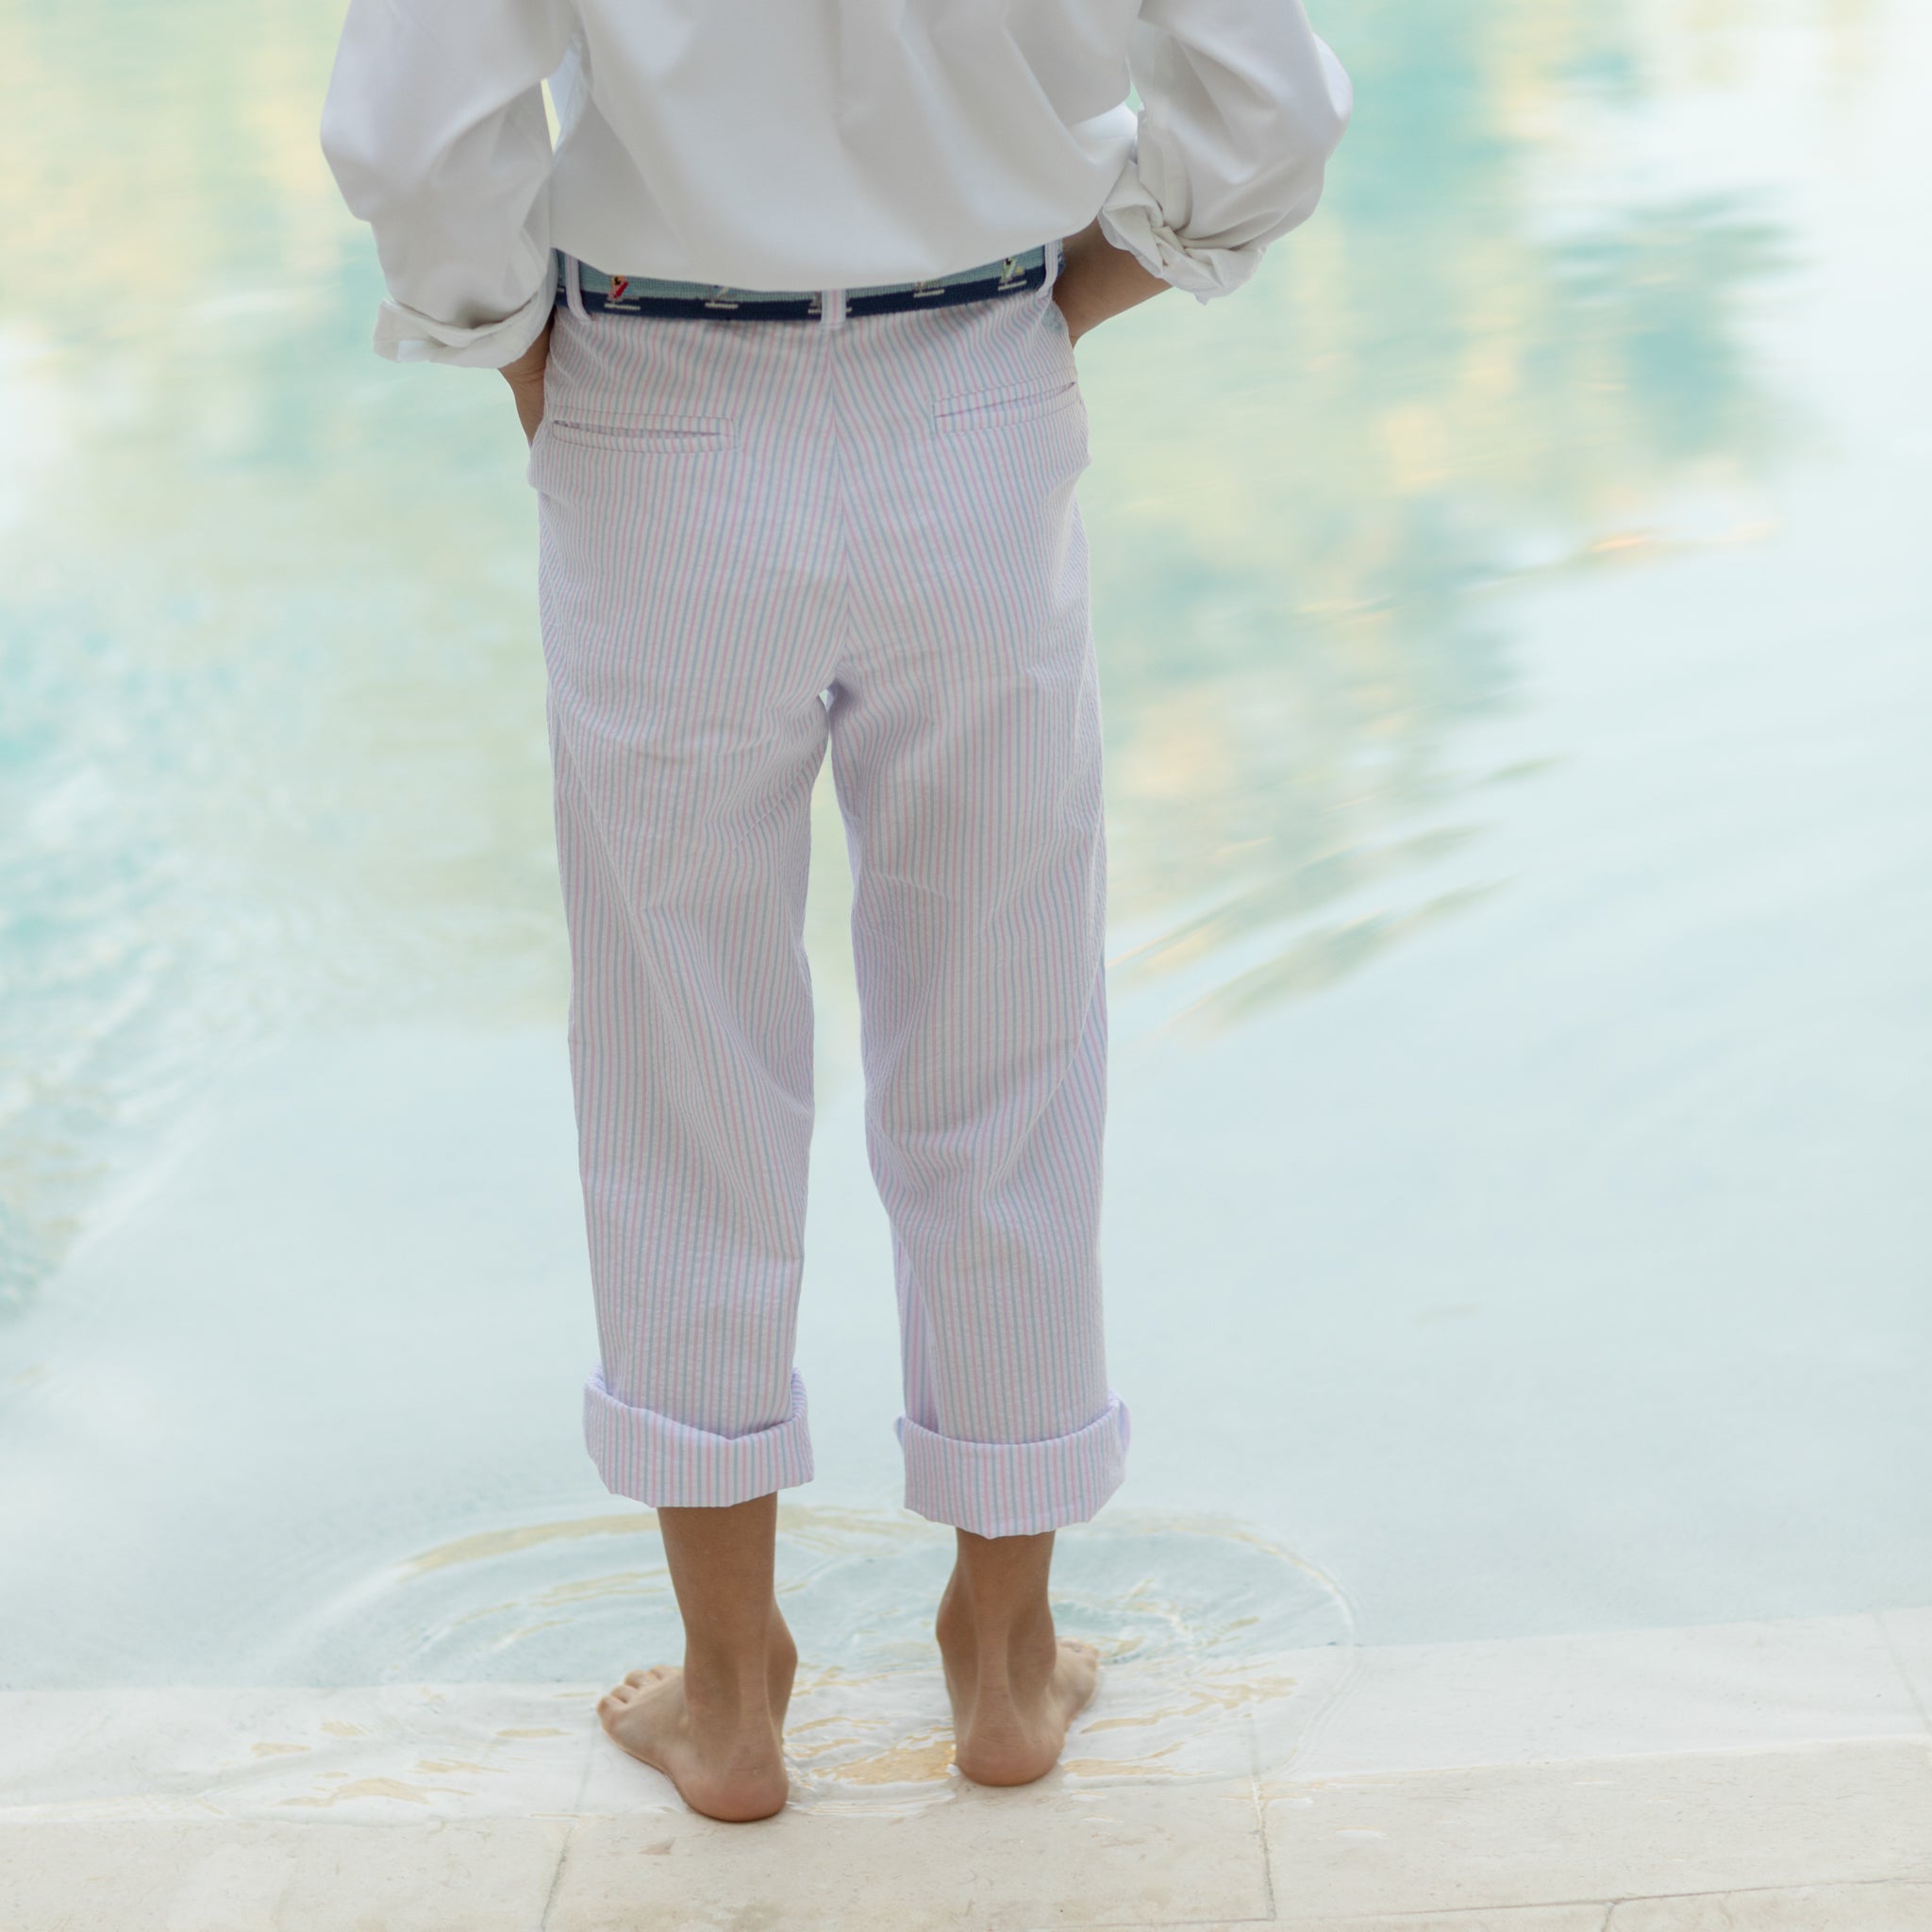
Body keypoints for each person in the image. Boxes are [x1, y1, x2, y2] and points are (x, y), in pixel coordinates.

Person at [320, 0, 1349, 1824]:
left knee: (678, 1063)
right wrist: (1076, 298)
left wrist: (512, 346)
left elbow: (412, 138)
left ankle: (730, 1703)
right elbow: (1267, 106)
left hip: (661, 407)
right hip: (977, 389)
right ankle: (1010, 1666)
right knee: (1006, 1047)